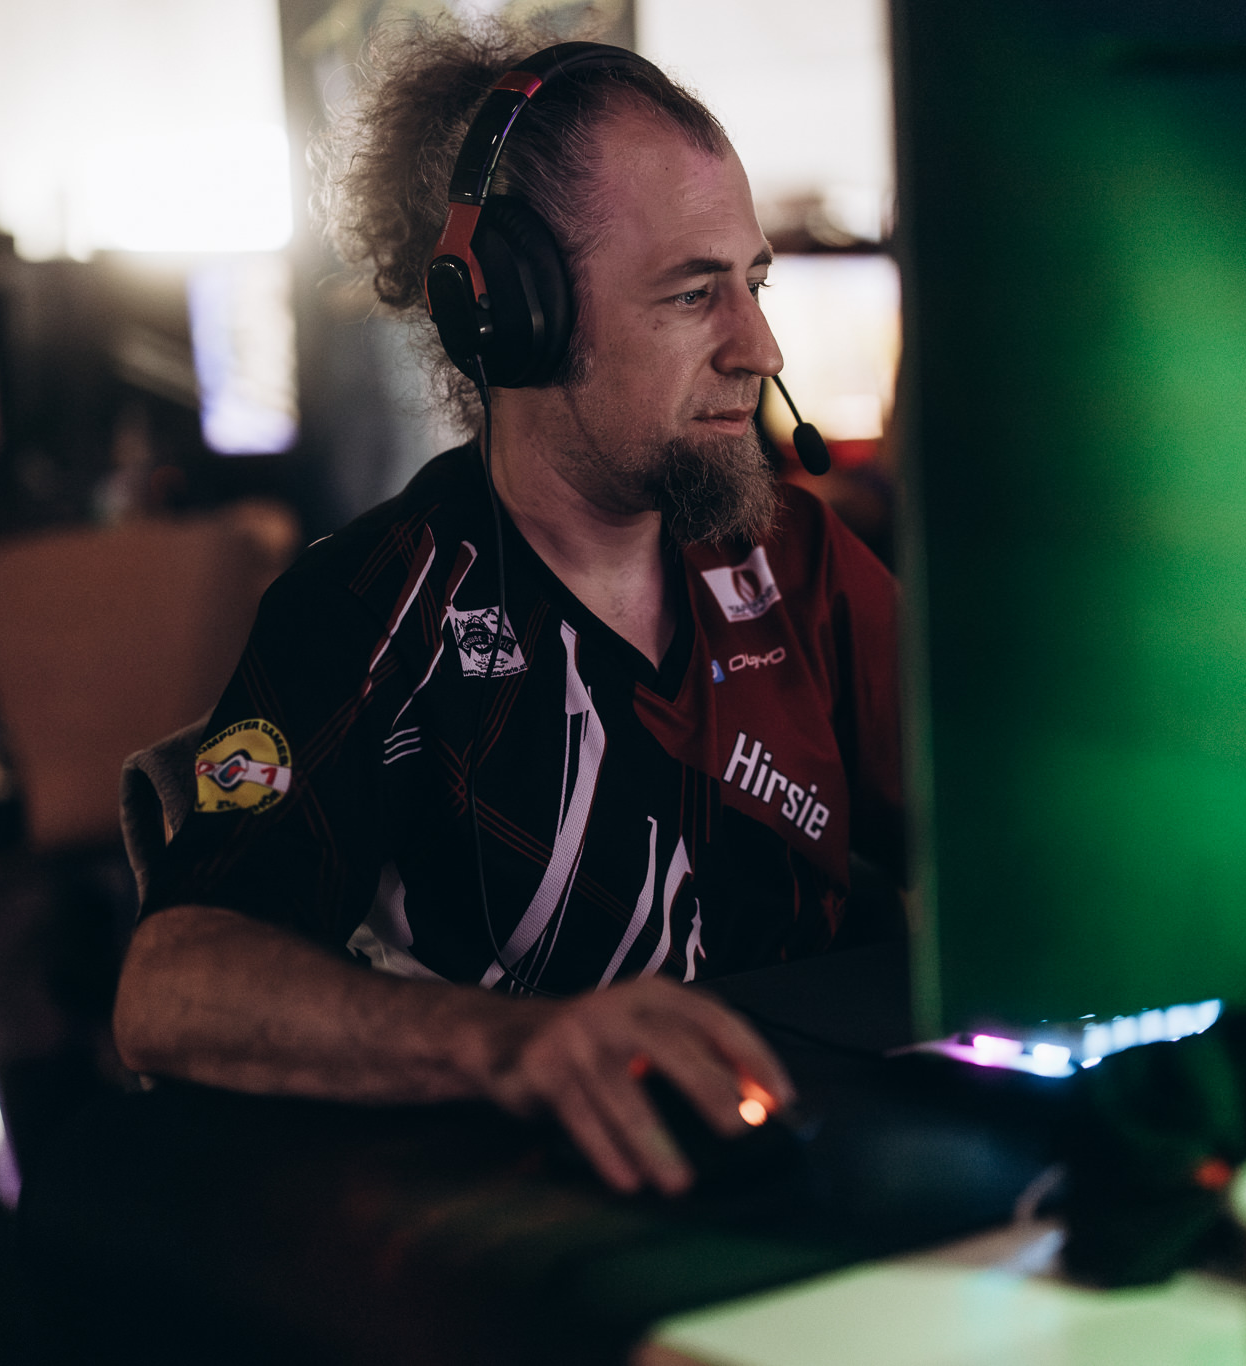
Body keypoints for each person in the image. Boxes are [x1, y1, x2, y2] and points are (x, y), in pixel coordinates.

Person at [111, 23, 902, 1197]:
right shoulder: (372, 610)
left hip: (819, 1169)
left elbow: (1004, 820)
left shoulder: (794, 561)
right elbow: (169, 985)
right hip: (536, 1215)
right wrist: (509, 1044)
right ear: (513, 315)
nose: (759, 347)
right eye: (694, 293)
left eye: (754, 283)